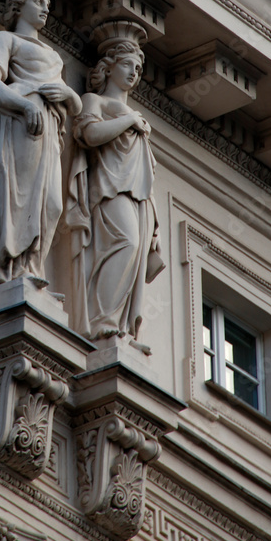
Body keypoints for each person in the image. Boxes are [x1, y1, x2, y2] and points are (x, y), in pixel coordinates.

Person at [0, 0, 81, 287]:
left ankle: (32, 267)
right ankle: (11, 270)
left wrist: (67, 95)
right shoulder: (4, 41)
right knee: (17, 198)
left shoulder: (54, 57)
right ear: (19, 4)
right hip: (18, 125)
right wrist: (23, 105)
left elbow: (74, 104)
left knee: (50, 203)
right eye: (38, 1)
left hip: (49, 131)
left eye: (47, 3)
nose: (45, 9)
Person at [67, 20, 164, 346]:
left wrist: (155, 224)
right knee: (125, 244)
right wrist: (129, 120)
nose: (134, 72)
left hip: (138, 200)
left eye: (138, 67)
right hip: (110, 192)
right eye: (127, 65)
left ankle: (119, 327)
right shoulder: (98, 102)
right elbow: (89, 134)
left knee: (135, 254)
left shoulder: (135, 117)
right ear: (108, 68)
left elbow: (145, 173)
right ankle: (100, 320)